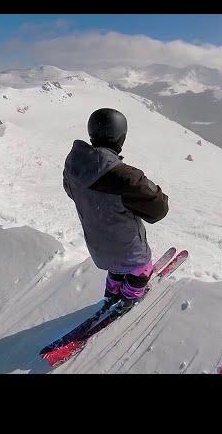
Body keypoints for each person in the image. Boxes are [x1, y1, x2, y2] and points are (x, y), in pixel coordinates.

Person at [63, 108, 169, 316]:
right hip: (127, 248)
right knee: (140, 266)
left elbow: (71, 191)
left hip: (98, 246)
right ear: (121, 137)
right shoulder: (126, 177)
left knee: (117, 265)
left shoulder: (74, 167)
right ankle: (129, 297)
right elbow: (158, 209)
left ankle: (112, 293)